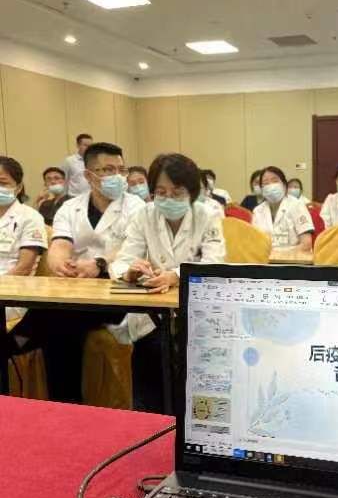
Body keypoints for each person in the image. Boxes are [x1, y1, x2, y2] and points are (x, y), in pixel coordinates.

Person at [10, 142, 145, 403]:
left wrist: (99, 263)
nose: (117, 176)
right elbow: (60, 243)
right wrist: (60, 263)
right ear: (89, 175)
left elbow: (132, 248)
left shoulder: (137, 207)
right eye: (108, 170)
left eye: (121, 169)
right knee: (61, 323)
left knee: (57, 319)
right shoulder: (70, 207)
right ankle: (67, 404)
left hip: (119, 289)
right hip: (79, 288)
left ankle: (15, 342)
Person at [111, 153, 226, 412]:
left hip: (197, 314)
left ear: (192, 192)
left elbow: (214, 262)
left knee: (188, 372)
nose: (168, 199)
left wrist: (176, 275)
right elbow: (123, 260)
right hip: (152, 316)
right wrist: (130, 271)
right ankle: (151, 422)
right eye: (161, 192)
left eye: (177, 192)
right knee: (151, 358)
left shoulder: (206, 215)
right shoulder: (144, 215)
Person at [0, 156, 47, 319]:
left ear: (18, 187)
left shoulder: (30, 217)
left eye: (3, 183)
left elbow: (24, 268)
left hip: (13, 291)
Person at [252, 166, 313, 250]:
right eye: (266, 183)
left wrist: (280, 254)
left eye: (275, 181)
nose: (271, 185)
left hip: (294, 257)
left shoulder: (296, 205)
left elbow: (306, 244)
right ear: (262, 190)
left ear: (284, 185)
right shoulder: (258, 211)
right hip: (265, 257)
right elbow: (255, 243)